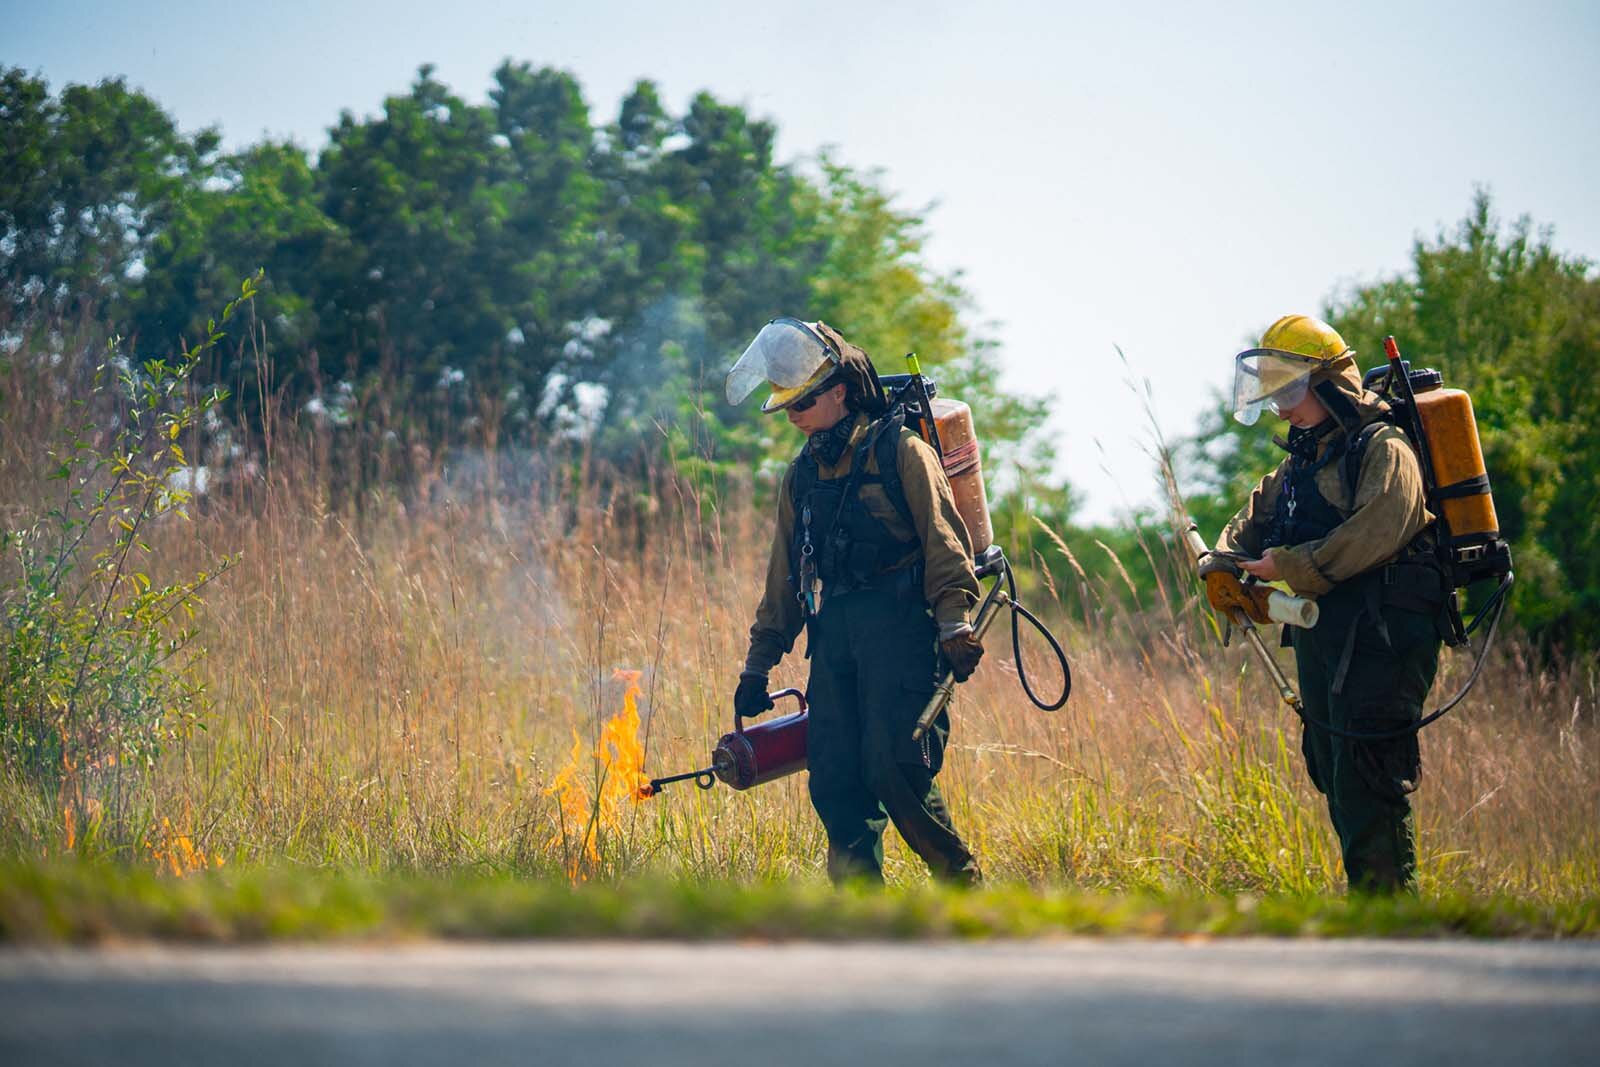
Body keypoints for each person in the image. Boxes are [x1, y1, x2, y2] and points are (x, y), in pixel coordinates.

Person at [725, 317, 985, 885]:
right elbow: (783, 580)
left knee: (893, 770)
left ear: (838, 391)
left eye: (803, 403)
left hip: (903, 634)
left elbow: (947, 545)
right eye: (786, 408)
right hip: (834, 639)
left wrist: (954, 625)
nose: (794, 417)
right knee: (835, 778)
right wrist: (758, 665)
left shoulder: (902, 452)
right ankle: (861, 922)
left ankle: (964, 888)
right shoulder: (802, 478)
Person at [1203, 314, 1448, 893]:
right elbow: (1254, 519)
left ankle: (1391, 917)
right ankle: (1376, 911)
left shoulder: (1384, 447)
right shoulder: (1303, 461)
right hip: (1327, 635)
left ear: (1330, 382)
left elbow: (1379, 529)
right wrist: (1221, 562)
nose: (1281, 408)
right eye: (1272, 394)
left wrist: (1289, 567)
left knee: (1369, 774)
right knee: (1332, 770)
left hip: (1387, 637)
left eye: (1289, 390)